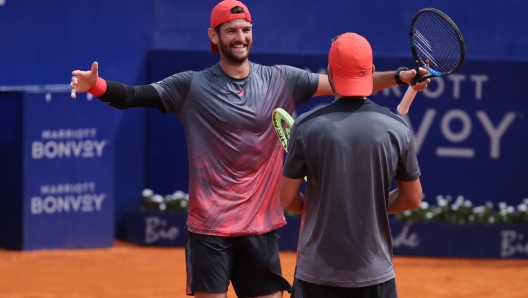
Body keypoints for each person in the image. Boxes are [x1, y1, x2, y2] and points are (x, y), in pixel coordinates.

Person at [70, 1, 428, 297]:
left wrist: (399, 76)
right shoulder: (190, 86)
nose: (240, 37)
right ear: (215, 36)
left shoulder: (282, 79)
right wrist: (97, 85)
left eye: (245, 30)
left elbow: (346, 84)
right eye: (231, 31)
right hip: (208, 231)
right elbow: (134, 96)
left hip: (260, 229)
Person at [280, 32, 423, 298]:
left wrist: (320, 209)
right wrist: (372, 206)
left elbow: (287, 198)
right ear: (371, 71)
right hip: (375, 276)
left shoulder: (307, 126)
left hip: (317, 276)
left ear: (330, 72)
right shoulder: (396, 128)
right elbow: (413, 198)